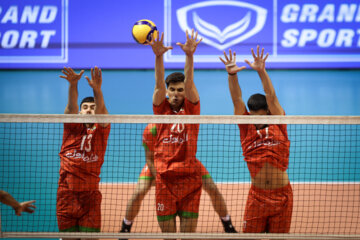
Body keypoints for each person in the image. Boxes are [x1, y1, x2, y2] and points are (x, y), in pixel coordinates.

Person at [219, 46, 293, 233]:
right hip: (257, 197)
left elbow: (272, 96)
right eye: (252, 117)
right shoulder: (246, 127)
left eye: (259, 118)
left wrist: (261, 71)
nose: (256, 122)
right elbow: (237, 99)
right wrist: (232, 75)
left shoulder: (278, 123)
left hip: (282, 196)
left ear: (268, 112)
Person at [119, 124, 237, 237]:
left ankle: (227, 223)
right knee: (139, 192)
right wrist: (159, 178)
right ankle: (126, 226)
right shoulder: (152, 129)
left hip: (187, 165)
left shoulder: (186, 124)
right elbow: (149, 158)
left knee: (212, 188)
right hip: (158, 166)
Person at [138, 29, 203, 234]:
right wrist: (158, 57)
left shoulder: (192, 109)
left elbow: (190, 82)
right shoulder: (161, 108)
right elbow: (158, 84)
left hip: (190, 180)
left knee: (188, 237)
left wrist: (189, 56)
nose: (176, 94)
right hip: (164, 180)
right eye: (172, 90)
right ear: (168, 92)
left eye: (180, 90)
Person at [57, 66, 110, 235]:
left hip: (90, 197)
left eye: (92, 107)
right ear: (80, 112)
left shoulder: (102, 130)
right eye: (85, 107)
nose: (88, 109)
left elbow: (102, 112)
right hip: (66, 195)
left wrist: (97, 90)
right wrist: (73, 85)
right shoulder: (71, 128)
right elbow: (71, 107)